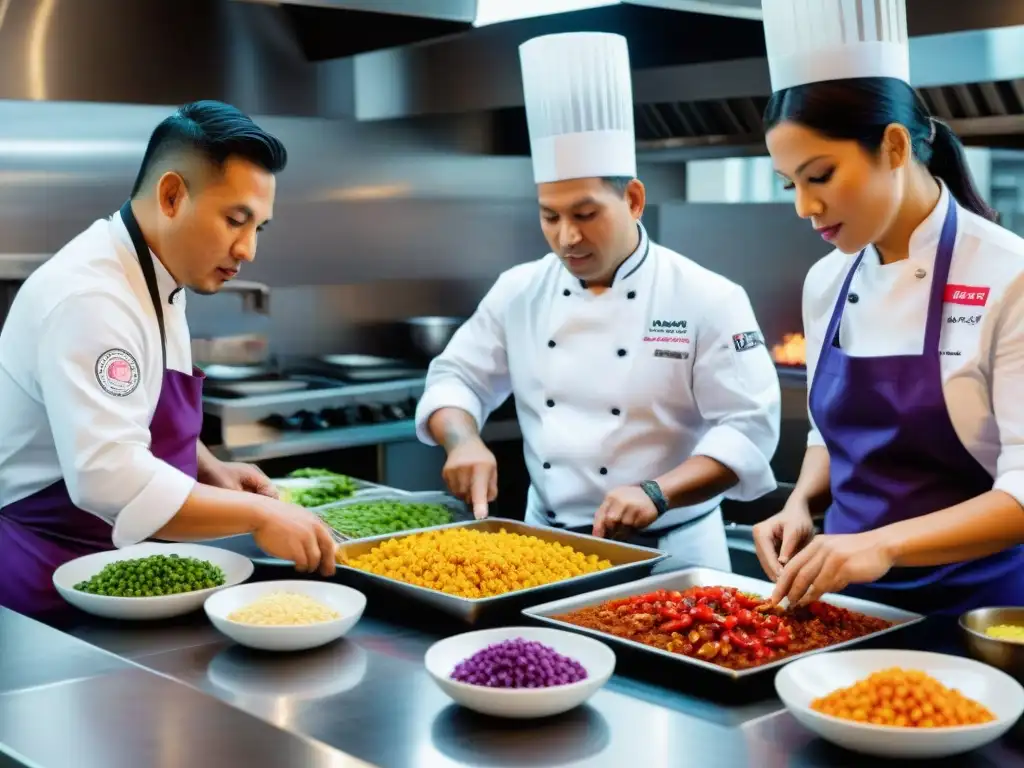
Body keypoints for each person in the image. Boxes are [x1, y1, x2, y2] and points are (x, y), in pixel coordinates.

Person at [414, 32, 781, 572]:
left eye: (585, 215)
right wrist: (463, 439)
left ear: (633, 199)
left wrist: (657, 492)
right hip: (545, 549)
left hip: (671, 553)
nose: (566, 238)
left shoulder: (708, 296)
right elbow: (456, 380)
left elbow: (749, 428)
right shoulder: (520, 289)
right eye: (549, 216)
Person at [0, 100, 337, 620]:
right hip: (50, 584)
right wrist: (257, 514)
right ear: (173, 195)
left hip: (119, 568)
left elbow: (137, 407)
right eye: (234, 220)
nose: (248, 249)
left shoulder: (157, 275)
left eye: (258, 228)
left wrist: (208, 465)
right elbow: (107, 476)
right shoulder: (91, 297)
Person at [751, 0, 1024, 616]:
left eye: (819, 175)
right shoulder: (827, 280)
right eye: (788, 183)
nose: (803, 206)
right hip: (846, 608)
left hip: (977, 616)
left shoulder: (1010, 277)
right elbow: (831, 429)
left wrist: (881, 546)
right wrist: (801, 502)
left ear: (895, 146)